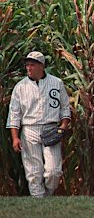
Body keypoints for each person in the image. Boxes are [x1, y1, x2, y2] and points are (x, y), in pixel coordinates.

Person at [6, 51, 71, 197]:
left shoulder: (56, 82)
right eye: (27, 65)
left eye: (32, 65)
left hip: (51, 128)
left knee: (54, 171)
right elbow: (14, 114)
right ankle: (38, 202)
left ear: (41, 66)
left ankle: (47, 196)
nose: (28, 68)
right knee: (34, 172)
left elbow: (65, 107)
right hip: (29, 129)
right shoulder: (20, 87)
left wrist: (63, 126)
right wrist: (15, 137)